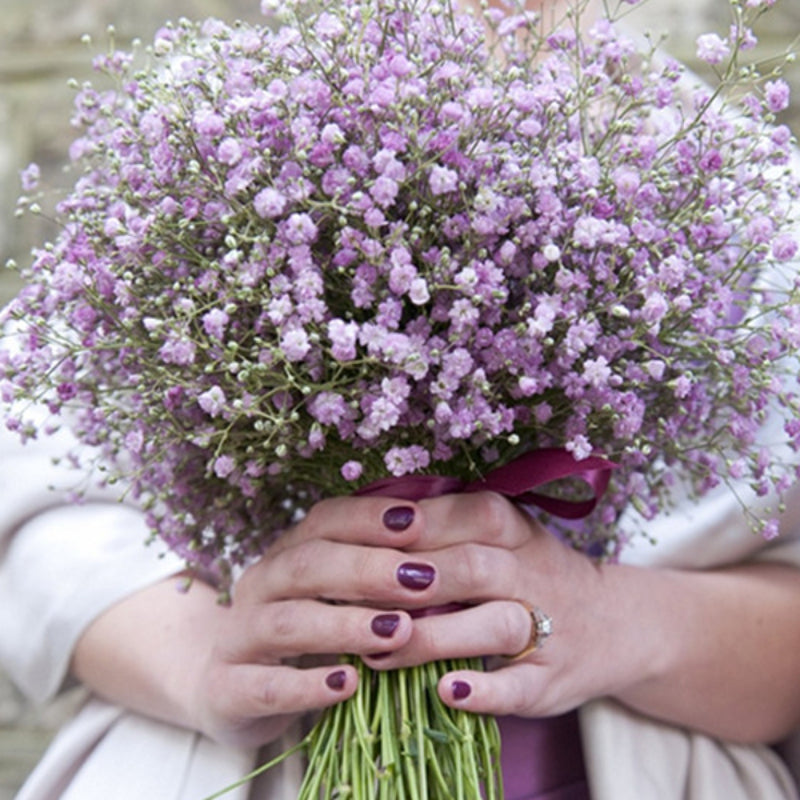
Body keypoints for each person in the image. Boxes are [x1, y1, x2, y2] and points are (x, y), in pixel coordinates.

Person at [3, 1, 800, 799]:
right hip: (236, 768)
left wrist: (621, 617)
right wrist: (203, 655)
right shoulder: (217, 137)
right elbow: (44, 514)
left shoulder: (745, 196)